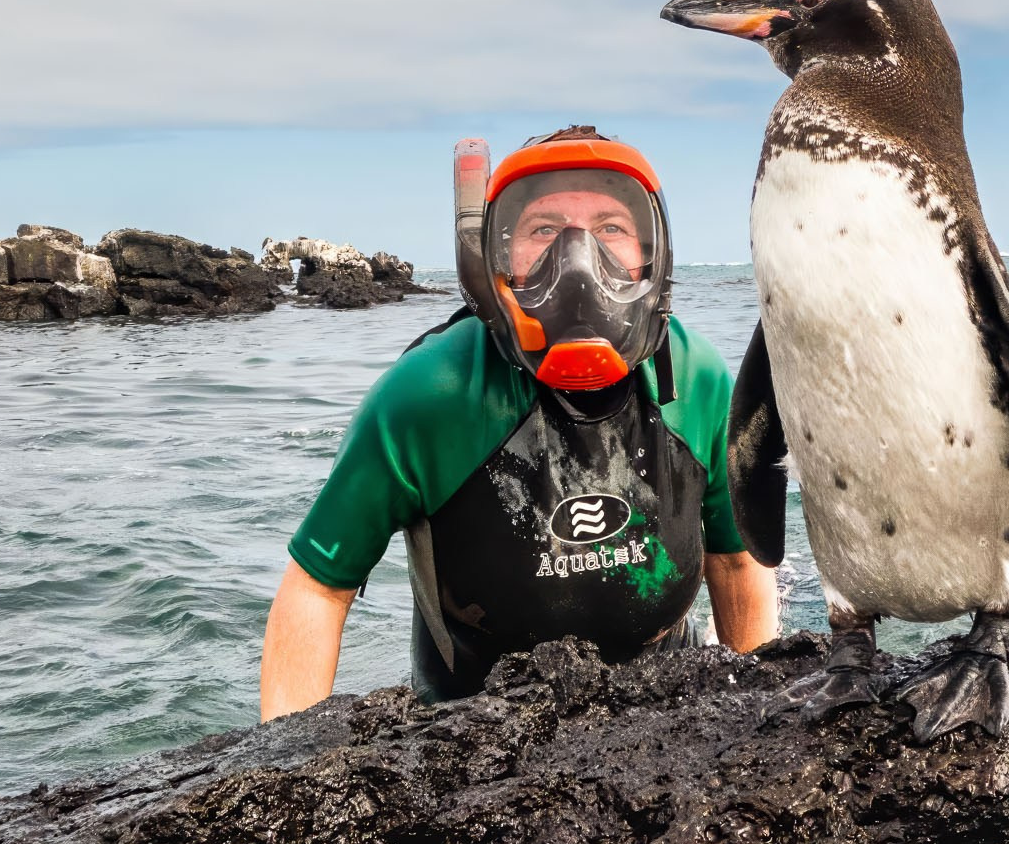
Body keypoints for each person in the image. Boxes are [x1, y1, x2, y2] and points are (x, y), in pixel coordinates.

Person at [260, 126, 778, 717]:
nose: (578, 259)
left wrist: (757, 726)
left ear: (651, 258)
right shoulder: (429, 394)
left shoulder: (696, 378)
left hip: (663, 709)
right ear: (495, 260)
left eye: (611, 227)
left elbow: (738, 561)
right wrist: (283, 762)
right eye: (544, 230)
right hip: (466, 731)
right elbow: (318, 588)